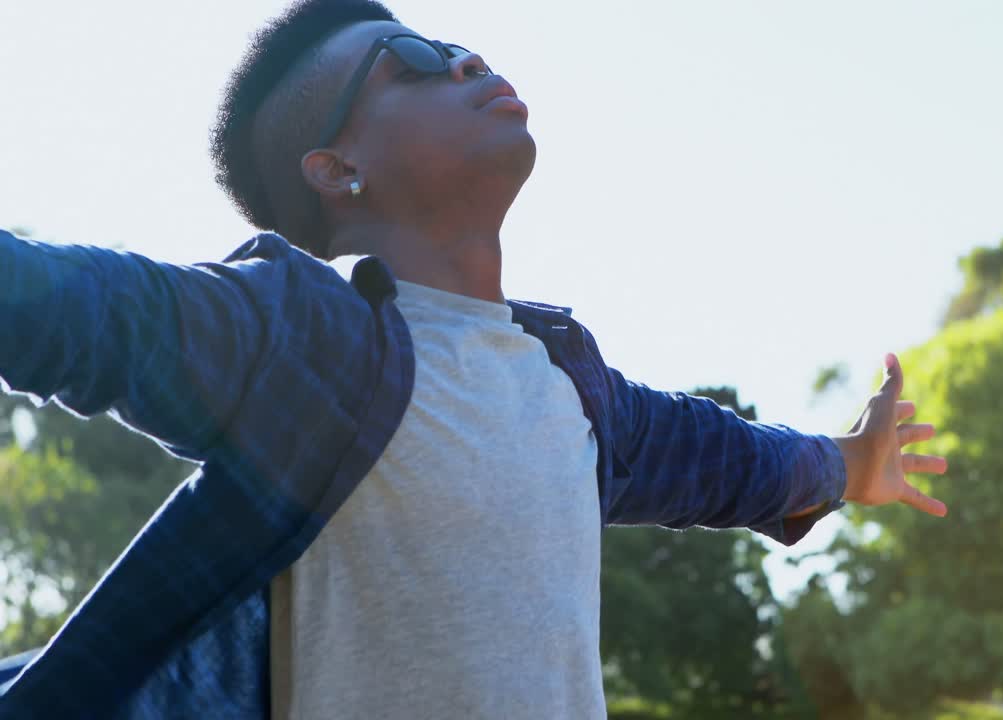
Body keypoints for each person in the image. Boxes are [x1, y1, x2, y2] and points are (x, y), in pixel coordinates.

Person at [0, 0, 948, 717]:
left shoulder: (577, 394)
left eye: (455, 43)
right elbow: (67, 308)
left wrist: (847, 464)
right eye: (410, 59)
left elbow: (733, 461)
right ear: (336, 168)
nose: (464, 58)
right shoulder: (289, 342)